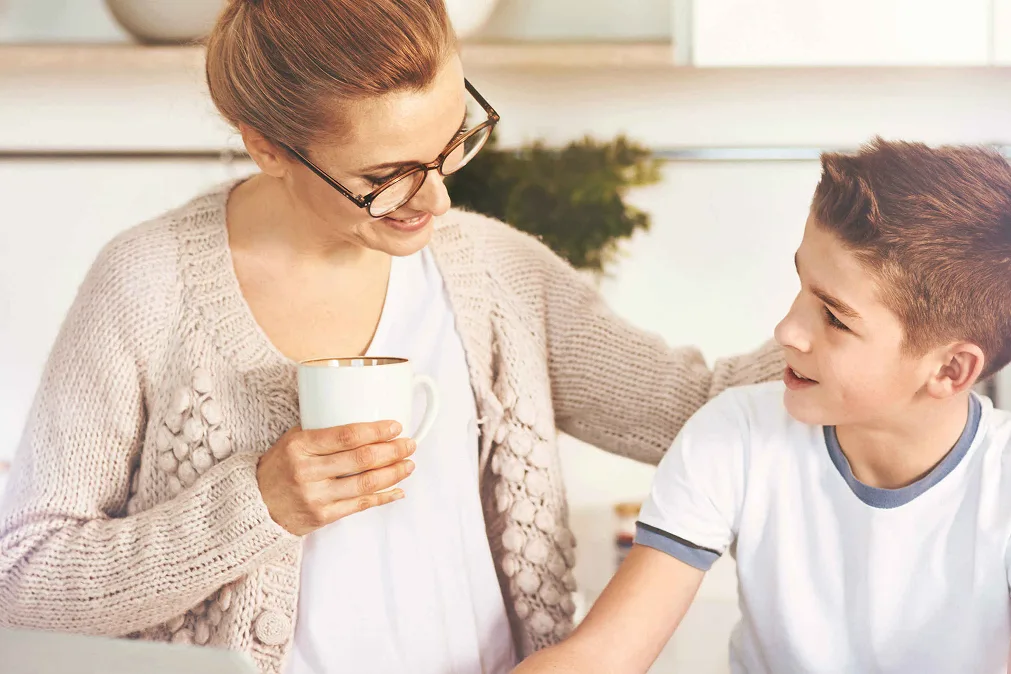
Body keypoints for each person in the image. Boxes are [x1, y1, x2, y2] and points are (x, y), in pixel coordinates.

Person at [0, 1, 783, 673]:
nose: (435, 200)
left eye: (451, 146)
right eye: (384, 178)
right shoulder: (147, 285)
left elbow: (704, 409)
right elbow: (23, 575)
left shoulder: (497, 275)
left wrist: (869, 307)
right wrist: (257, 504)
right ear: (267, 145)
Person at [514, 138, 1011, 674]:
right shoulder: (736, 434)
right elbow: (603, 657)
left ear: (950, 371)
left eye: (836, 319)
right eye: (802, 286)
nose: (786, 331)